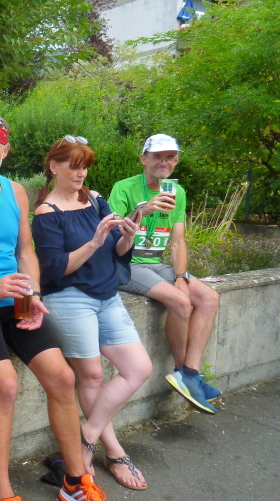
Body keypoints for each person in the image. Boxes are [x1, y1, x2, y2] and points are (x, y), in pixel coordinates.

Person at [0, 115, 106, 501]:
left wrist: (33, 296)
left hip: (14, 298)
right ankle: (1, 493)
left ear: (5, 150)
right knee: (6, 386)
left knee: (62, 377)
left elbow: (25, 251)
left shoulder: (15, 192)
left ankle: (75, 480)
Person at [32, 136, 152, 491]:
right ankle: (114, 452)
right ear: (54, 167)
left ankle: (85, 437)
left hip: (107, 295)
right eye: (74, 166)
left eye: (85, 166)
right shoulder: (46, 213)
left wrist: (128, 235)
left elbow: (117, 251)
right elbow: (54, 270)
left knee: (139, 368)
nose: (81, 173)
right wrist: (94, 241)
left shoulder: (96, 199)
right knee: (92, 376)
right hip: (69, 298)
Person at [109, 134, 221, 414]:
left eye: (170, 157)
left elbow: (178, 241)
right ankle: (182, 372)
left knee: (209, 298)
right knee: (180, 301)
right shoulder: (124, 187)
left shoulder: (177, 192)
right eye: (157, 156)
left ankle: (191, 372)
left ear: (176, 161)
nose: (164, 162)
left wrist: (181, 276)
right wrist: (143, 210)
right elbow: (111, 233)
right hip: (127, 264)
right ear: (143, 159)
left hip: (156, 263)